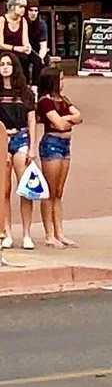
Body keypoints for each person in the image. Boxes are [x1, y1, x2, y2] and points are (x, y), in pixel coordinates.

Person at [36, 70, 81, 248]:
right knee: (49, 190)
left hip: (65, 144)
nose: (63, 82)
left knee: (59, 192)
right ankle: (49, 234)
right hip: (52, 143)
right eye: (60, 79)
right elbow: (60, 124)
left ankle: (60, 232)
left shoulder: (63, 99)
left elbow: (79, 116)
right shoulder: (45, 102)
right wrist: (70, 119)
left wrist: (68, 119)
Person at [0, 51, 37, 250]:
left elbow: (31, 120)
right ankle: (7, 232)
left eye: (8, 64)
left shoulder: (26, 93)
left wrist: (32, 147)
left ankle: (27, 234)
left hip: (21, 138)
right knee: (4, 189)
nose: (5, 67)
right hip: (3, 140)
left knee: (25, 188)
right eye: (1, 64)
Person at [24, 0, 48, 88]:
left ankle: (36, 87)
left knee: (40, 61)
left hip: (37, 51)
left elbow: (43, 46)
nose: (33, 13)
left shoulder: (41, 24)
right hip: (23, 50)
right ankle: (25, 86)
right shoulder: (22, 22)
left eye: (36, 10)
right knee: (23, 60)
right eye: (31, 10)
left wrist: (40, 57)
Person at [1, 0, 31, 66]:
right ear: (12, 7)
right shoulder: (2, 20)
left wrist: (28, 48)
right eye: (20, 7)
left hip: (19, 51)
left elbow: (25, 41)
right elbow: (0, 44)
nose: (23, 9)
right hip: (5, 51)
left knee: (32, 59)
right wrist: (16, 48)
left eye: (24, 7)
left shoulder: (23, 21)